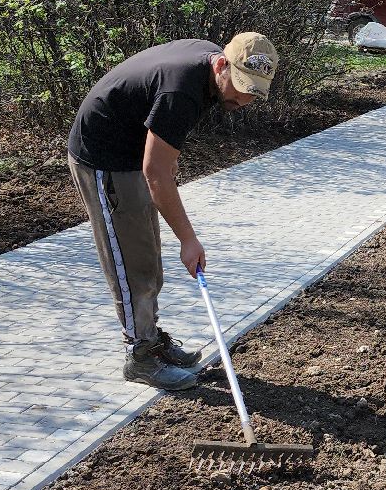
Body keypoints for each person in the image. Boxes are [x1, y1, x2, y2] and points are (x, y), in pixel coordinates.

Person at [67, 33, 278, 391]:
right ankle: (141, 357)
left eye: (255, 90)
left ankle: (150, 337)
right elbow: (156, 174)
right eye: (242, 87)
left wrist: (166, 187)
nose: (245, 99)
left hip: (130, 152)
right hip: (103, 158)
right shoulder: (181, 92)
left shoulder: (207, 68)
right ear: (222, 65)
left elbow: (160, 165)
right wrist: (189, 240)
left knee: (147, 257)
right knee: (131, 264)